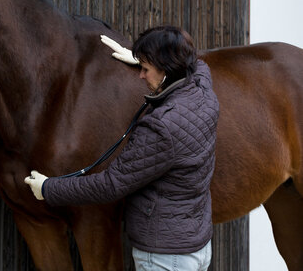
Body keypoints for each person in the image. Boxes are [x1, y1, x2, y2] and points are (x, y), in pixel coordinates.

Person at [24, 25, 219, 271]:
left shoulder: (161, 127)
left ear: (167, 71)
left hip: (165, 258)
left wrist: (49, 188)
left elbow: (111, 184)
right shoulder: (204, 91)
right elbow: (198, 64)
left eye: (146, 69)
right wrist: (141, 60)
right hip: (198, 248)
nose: (140, 75)